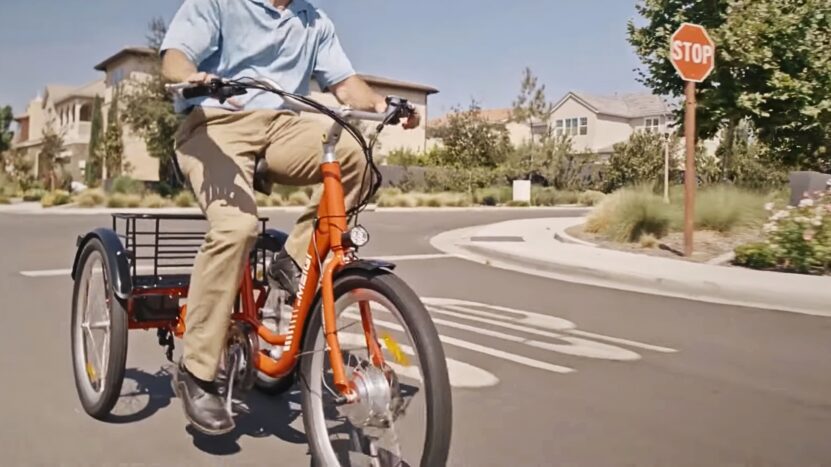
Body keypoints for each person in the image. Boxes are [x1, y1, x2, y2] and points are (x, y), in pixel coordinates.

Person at [160, 0, 420, 435]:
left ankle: (295, 260)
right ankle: (198, 370)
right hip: (214, 122)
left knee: (357, 158)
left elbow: (344, 84)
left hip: (283, 125)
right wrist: (191, 76)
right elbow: (174, 56)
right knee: (236, 227)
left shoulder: (312, 20)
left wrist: (382, 103)